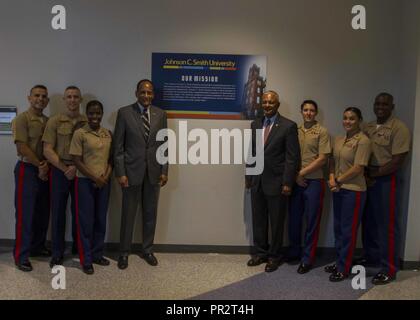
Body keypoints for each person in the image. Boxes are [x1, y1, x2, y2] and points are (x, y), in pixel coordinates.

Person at [113, 79, 169, 270]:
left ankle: (147, 250)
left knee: (150, 213)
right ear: (136, 93)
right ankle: (124, 253)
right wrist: (120, 172)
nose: (146, 96)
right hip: (131, 172)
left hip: (153, 173)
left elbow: (164, 145)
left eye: (149, 93)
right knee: (128, 214)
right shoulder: (124, 113)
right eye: (143, 92)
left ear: (153, 94)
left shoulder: (160, 114)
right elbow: (118, 147)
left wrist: (164, 170)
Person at [356, 93, 411, 285]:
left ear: (392, 106)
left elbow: (397, 162)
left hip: (386, 181)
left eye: (385, 104)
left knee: (386, 225)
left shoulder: (399, 128)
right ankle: (371, 258)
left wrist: (373, 175)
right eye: (377, 103)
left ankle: (389, 268)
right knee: (369, 221)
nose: (380, 106)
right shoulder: (368, 127)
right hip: (366, 180)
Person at [245, 90, 300, 273]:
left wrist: (287, 182)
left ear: (277, 105)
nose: (267, 105)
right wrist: (248, 176)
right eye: (265, 102)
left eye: (271, 103)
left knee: (276, 222)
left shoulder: (288, 126)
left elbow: (292, 158)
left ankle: (274, 256)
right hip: (257, 181)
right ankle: (260, 253)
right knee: (258, 219)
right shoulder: (255, 124)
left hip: (277, 182)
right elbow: (252, 152)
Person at [42, 86, 87, 268]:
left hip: (81, 171)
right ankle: (57, 252)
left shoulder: (87, 121)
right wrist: (64, 168)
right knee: (58, 212)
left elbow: (90, 150)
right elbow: (47, 149)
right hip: (59, 171)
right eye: (68, 97)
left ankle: (78, 247)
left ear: (80, 99)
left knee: (80, 212)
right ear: (63, 99)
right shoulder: (54, 121)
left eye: (76, 97)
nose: (72, 100)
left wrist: (76, 167)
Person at [325, 107, 372, 282]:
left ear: (359, 120)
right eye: (345, 118)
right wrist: (331, 177)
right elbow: (332, 161)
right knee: (338, 228)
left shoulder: (364, 141)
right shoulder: (339, 139)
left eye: (352, 118)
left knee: (348, 231)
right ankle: (339, 261)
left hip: (354, 191)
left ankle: (344, 268)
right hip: (337, 189)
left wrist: (337, 181)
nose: (347, 121)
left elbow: (358, 168)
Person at [287, 100, 331, 274]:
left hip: (314, 182)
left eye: (312, 110)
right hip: (296, 183)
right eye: (305, 110)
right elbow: (289, 155)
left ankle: (307, 258)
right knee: (294, 220)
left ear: (316, 113)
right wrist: (295, 177)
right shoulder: (294, 131)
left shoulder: (322, 132)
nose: (308, 113)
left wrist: (301, 174)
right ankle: (294, 252)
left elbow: (322, 159)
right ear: (301, 112)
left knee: (312, 222)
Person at [69, 100, 112, 275]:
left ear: (102, 114)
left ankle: (97, 254)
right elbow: (76, 160)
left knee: (100, 220)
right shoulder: (80, 133)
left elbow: (111, 160)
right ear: (87, 115)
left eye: (98, 113)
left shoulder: (107, 133)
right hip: (84, 183)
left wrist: (105, 177)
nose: (95, 116)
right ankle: (86, 260)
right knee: (85, 223)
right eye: (92, 113)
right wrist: (95, 178)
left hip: (103, 183)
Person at [11, 85, 51, 272]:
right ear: (29, 98)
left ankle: (37, 247)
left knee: (42, 212)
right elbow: (22, 147)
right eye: (37, 95)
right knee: (25, 214)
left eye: (44, 96)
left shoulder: (48, 121)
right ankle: (21, 256)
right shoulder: (22, 119)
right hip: (27, 170)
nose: (40, 99)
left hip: (44, 171)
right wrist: (40, 166)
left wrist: (45, 167)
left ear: (47, 101)